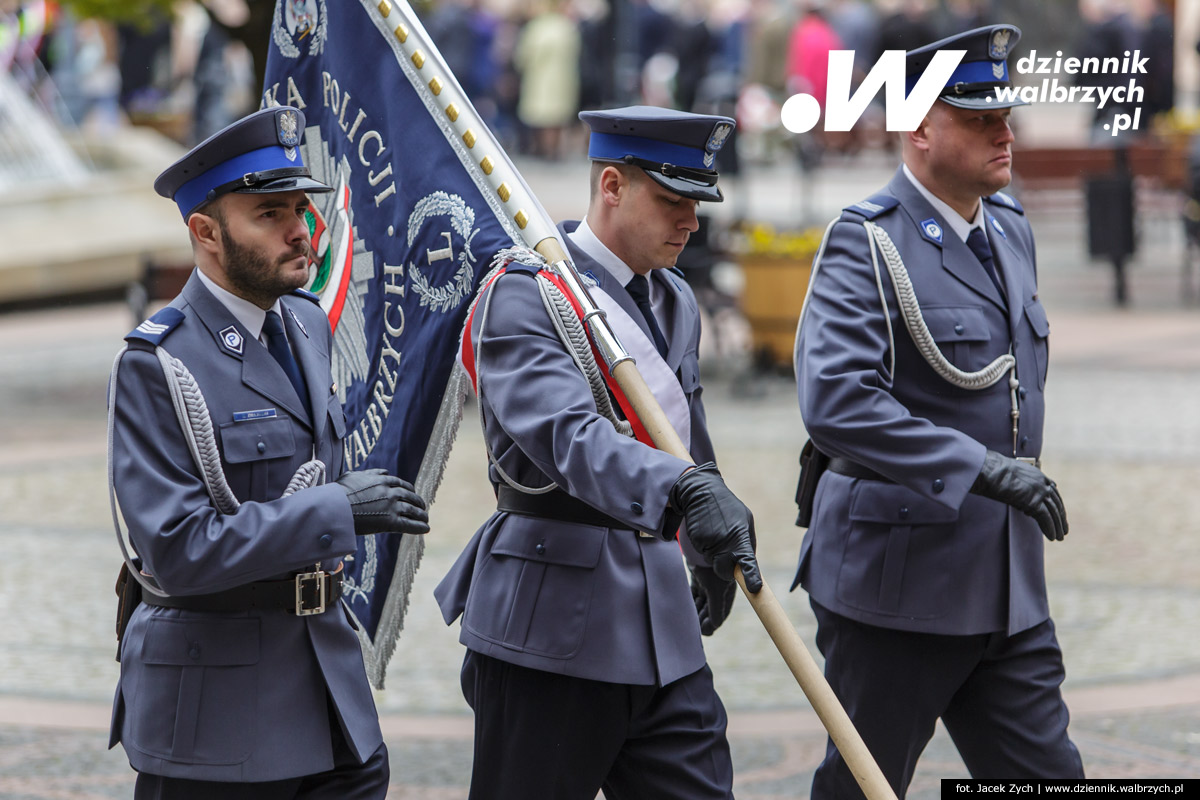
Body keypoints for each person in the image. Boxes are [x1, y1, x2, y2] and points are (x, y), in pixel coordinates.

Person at [435, 105, 761, 800]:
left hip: (661, 627)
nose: (692, 223)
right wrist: (684, 493)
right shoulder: (526, 294)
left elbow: (686, 438)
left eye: (699, 203)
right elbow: (568, 437)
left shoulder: (674, 298)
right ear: (612, 185)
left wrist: (707, 555)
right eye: (673, 200)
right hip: (550, 624)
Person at [792, 26, 1085, 797]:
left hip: (1006, 585)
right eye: (980, 118)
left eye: (1005, 115)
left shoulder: (1010, 229)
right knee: (863, 784)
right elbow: (839, 402)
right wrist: (982, 469)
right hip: (898, 588)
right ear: (919, 128)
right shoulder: (866, 243)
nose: (1005, 132)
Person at [107, 106, 430, 799]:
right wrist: (334, 509)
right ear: (206, 233)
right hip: (219, 719)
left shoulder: (306, 323)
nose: (300, 229)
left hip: (328, 697)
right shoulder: (159, 362)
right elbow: (178, 548)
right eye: (269, 213)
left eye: (301, 208)